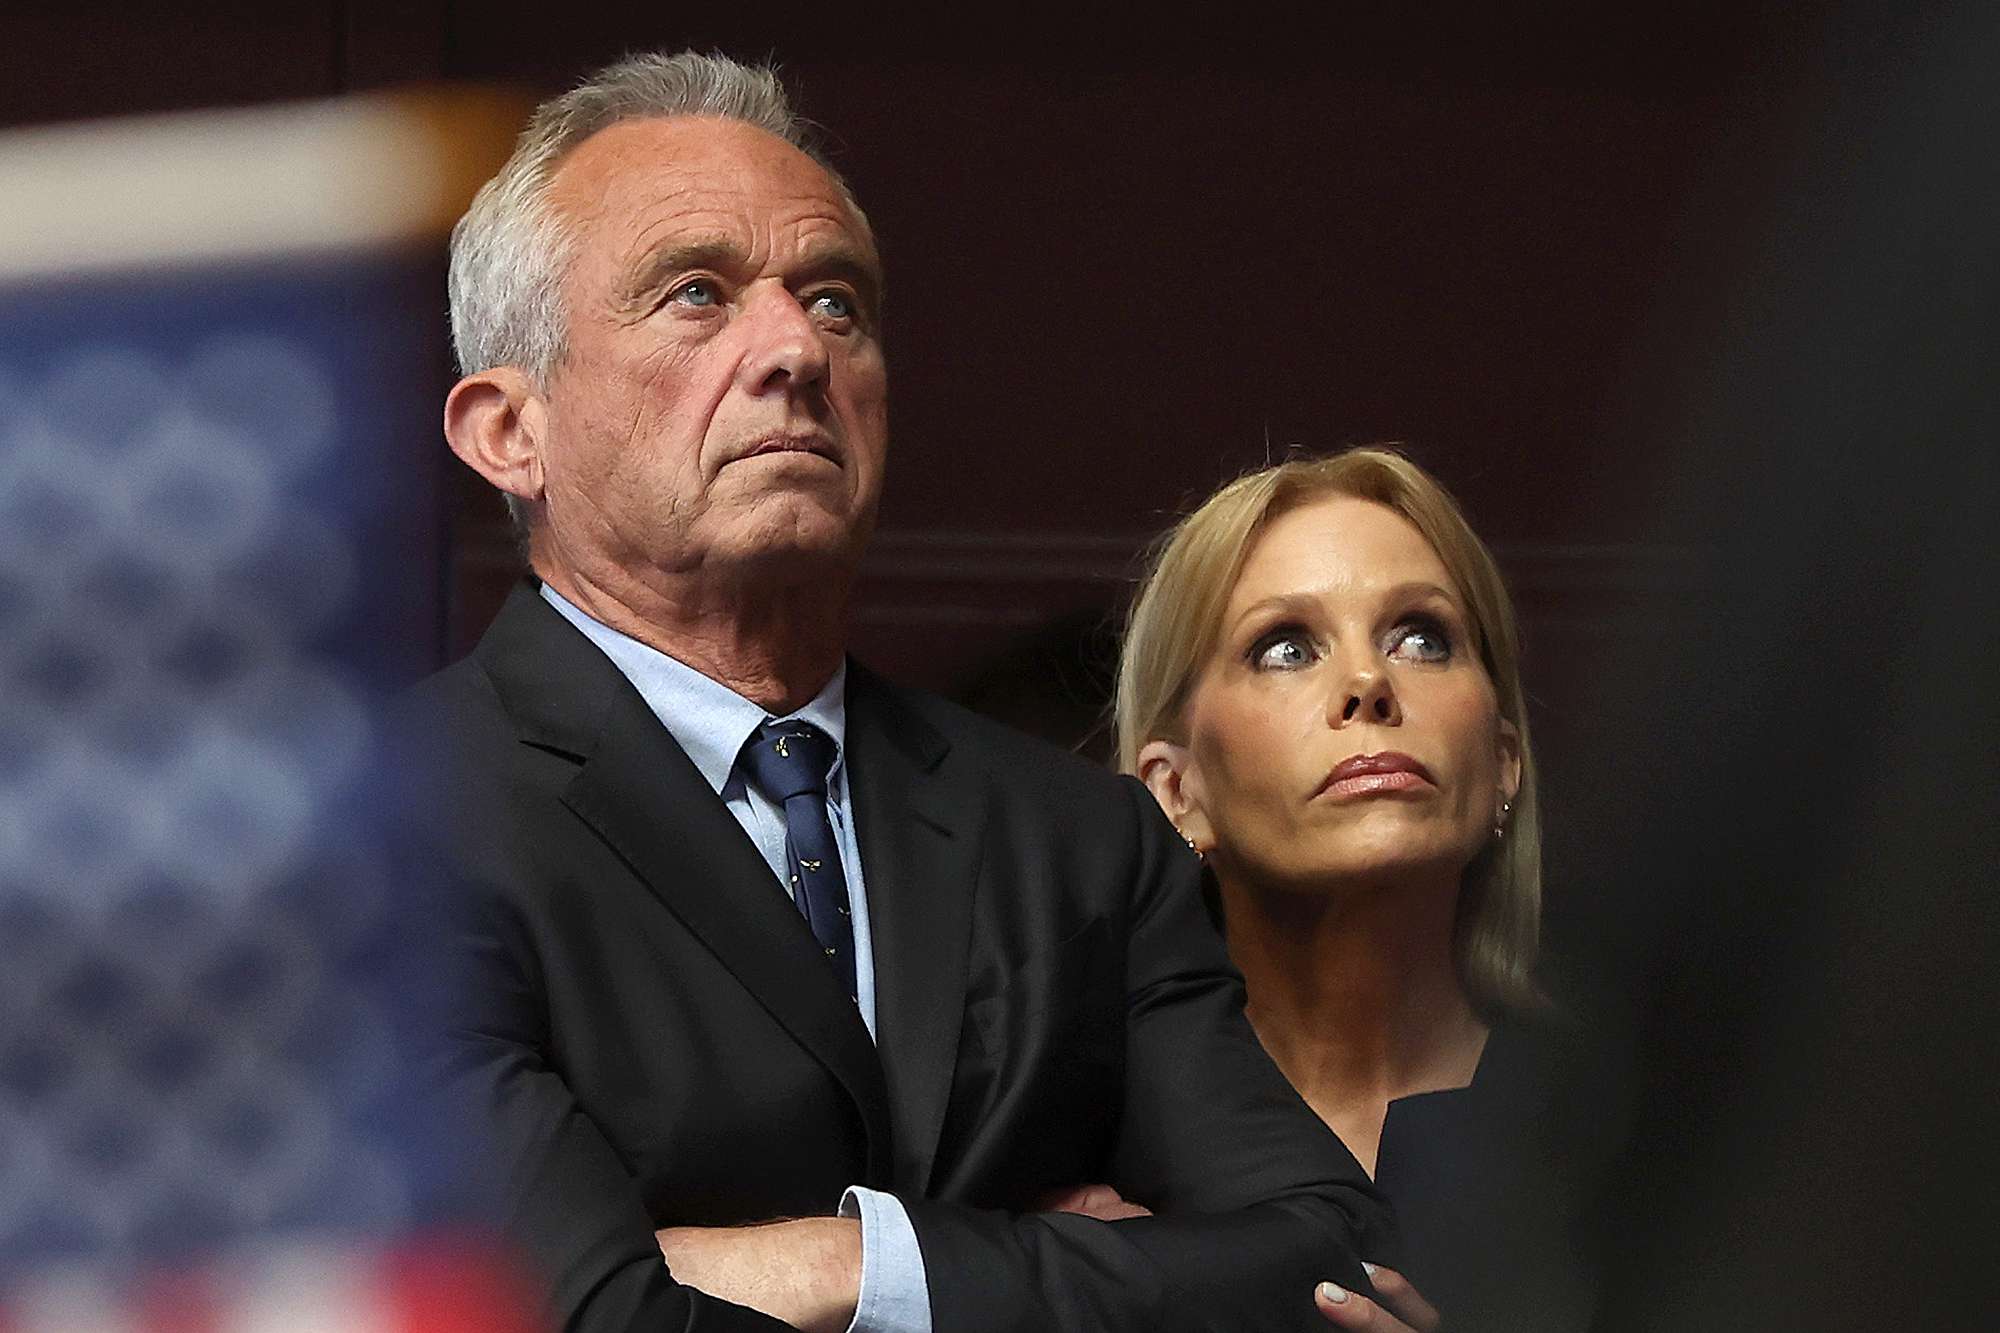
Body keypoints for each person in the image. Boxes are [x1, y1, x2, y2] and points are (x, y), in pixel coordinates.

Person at [406, 51, 1433, 1333]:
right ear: (510, 431)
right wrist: (1070, 1272)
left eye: (835, 301)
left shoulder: (1077, 843)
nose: (793, 348)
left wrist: (854, 1267)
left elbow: (1338, 1266)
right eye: (695, 295)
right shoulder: (381, 822)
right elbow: (566, 1317)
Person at [1116, 448, 1623, 1330]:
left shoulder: (1661, 1130)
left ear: (1504, 764)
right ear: (1175, 790)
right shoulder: (1088, 1144)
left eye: (1423, 637)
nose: (1368, 684)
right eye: (1286, 646)